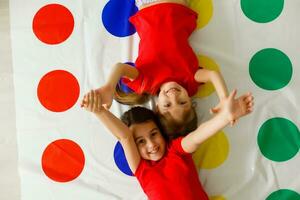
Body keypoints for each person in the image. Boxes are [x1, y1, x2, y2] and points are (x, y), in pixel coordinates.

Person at [81, 89, 254, 200]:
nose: (151, 144)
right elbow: (125, 136)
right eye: (140, 141)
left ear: (162, 131)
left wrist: (223, 118)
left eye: (154, 134)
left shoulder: (176, 151)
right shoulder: (142, 169)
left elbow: (197, 136)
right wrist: (99, 111)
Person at [95, 0, 231, 139]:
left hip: (147, 6)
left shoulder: (145, 83)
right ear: (191, 102)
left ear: (158, 107)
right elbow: (213, 75)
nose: (173, 96)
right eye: (182, 102)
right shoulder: (190, 79)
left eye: (168, 104)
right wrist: (224, 99)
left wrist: (109, 87)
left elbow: (120, 68)